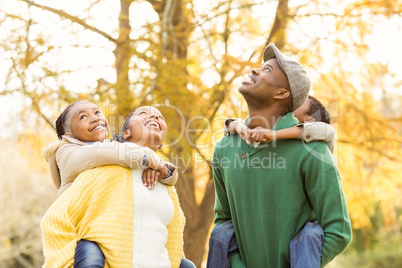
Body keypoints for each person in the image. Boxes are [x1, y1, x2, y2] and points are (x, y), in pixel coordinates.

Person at [209, 43, 352, 267]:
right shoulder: (224, 148)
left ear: (282, 93)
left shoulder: (313, 151)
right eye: (260, 66)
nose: (255, 70)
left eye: (267, 70)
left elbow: (339, 230)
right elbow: (224, 222)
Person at [41, 106, 195, 268]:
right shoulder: (82, 158)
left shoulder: (162, 183)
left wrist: (163, 170)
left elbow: (173, 235)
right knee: (91, 256)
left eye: (159, 117)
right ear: (126, 134)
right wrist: (150, 159)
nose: (154, 117)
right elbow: (104, 153)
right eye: (143, 114)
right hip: (87, 240)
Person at [207, 95, 334, 268]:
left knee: (311, 234)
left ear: (309, 121)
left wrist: (274, 134)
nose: (290, 104)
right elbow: (223, 217)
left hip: (303, 246)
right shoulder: (230, 148)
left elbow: (325, 130)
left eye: (298, 102)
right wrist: (237, 125)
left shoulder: (318, 146)